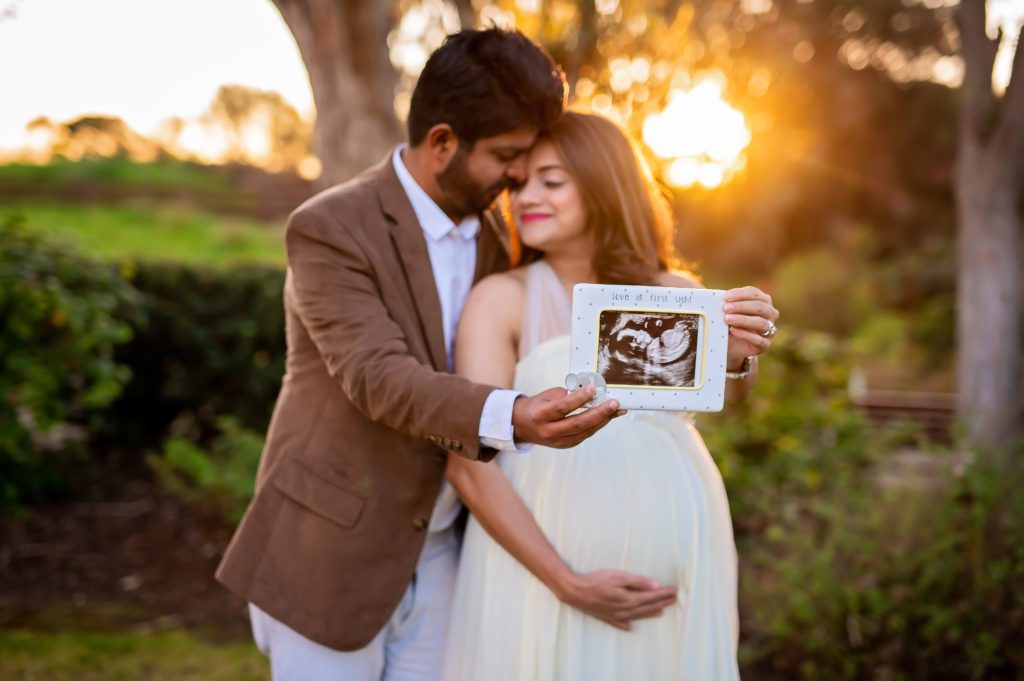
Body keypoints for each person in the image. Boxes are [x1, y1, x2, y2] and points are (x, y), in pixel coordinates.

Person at [215, 30, 673, 681]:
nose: (520, 178)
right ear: (442, 142)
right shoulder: (330, 228)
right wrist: (514, 413)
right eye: (509, 156)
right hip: (330, 546)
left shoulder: (499, 239)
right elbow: (377, 376)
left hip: (447, 557)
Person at [442, 110, 780, 680]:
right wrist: (566, 581)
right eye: (519, 182)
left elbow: (715, 397)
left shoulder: (676, 294)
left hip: (670, 582)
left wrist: (743, 350)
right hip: (539, 580)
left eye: (551, 180)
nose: (526, 196)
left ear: (602, 183)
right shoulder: (499, 299)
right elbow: (469, 465)